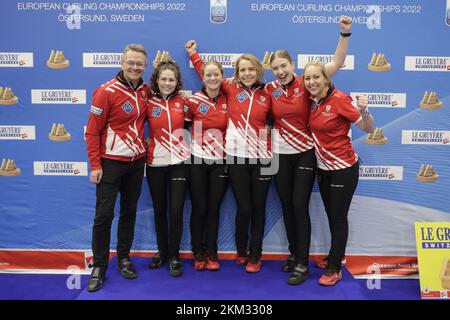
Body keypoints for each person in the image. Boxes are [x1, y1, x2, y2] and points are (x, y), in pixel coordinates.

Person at [266, 16, 353, 285]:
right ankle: (294, 254)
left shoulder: (308, 82)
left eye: (283, 66)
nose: (280, 71)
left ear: (292, 65)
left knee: (299, 205)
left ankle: (302, 264)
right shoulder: (269, 89)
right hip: (278, 155)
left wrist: (345, 33)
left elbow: (337, 62)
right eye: (275, 68)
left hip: (305, 153)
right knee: (287, 206)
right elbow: (234, 92)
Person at [187, 41, 272, 273]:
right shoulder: (230, 89)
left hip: (264, 159)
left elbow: (286, 114)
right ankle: (242, 251)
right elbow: (208, 74)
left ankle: (256, 255)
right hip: (235, 157)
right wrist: (194, 55)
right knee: (244, 208)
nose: (246, 73)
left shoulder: (269, 93)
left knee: (259, 208)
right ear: (236, 73)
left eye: (250, 69)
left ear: (258, 71)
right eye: (242, 70)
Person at [303, 61, 375, 286]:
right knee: (331, 214)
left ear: (326, 79)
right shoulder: (313, 101)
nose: (312, 82)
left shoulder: (340, 99)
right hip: (323, 169)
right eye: (307, 78)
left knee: (337, 216)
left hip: (343, 169)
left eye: (316, 77)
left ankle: (335, 267)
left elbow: (368, 129)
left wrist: (365, 112)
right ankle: (337, 255)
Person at [85, 44, 149, 292]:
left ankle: (123, 257)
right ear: (122, 63)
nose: (135, 67)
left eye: (139, 64)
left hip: (136, 163)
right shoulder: (105, 91)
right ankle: (99, 266)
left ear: (145, 66)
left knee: (129, 212)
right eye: (130, 62)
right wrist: (95, 164)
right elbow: (92, 131)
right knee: (103, 216)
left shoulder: (145, 90)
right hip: (110, 163)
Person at [183, 49, 228, 271]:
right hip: (198, 162)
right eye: (207, 74)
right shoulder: (192, 101)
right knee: (199, 208)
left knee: (213, 209)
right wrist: (193, 55)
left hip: (221, 162)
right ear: (203, 76)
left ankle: (212, 252)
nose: (212, 78)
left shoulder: (229, 99)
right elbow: (183, 127)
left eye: (216, 74)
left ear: (222, 76)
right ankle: (197, 251)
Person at [146, 59, 190, 277]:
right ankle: (162, 251)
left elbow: (199, 125)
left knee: (176, 210)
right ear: (157, 80)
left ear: (177, 82)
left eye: (171, 79)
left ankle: (174, 255)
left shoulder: (184, 102)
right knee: (160, 210)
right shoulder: (147, 101)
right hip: (155, 164)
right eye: (163, 79)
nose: (167, 83)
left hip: (180, 164)